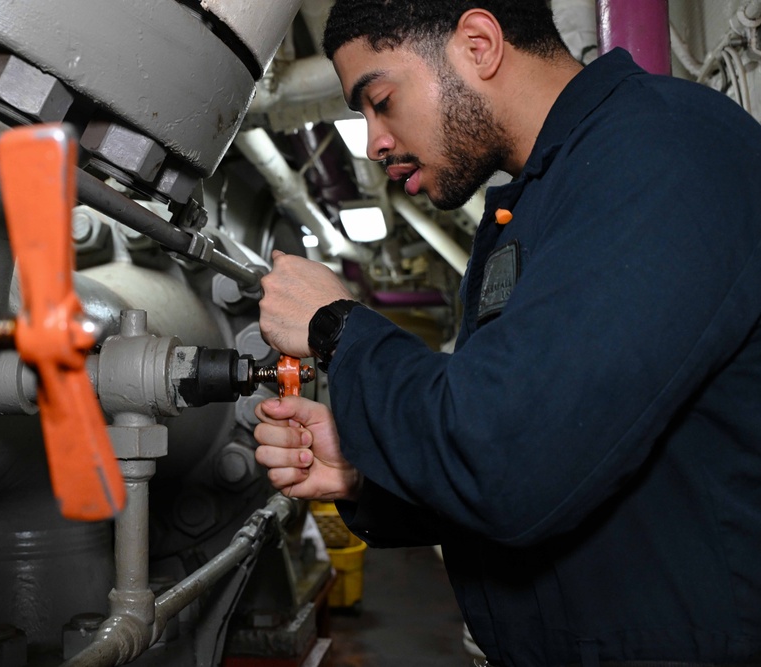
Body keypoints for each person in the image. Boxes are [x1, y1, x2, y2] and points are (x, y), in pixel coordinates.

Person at [252, 1, 761, 666]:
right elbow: (553, 451)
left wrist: (337, 325)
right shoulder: (541, 201)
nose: (375, 140)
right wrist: (360, 474)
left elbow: (508, 457)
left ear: (479, 43)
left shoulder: (661, 150)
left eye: (381, 99)